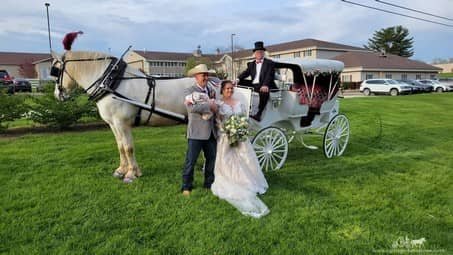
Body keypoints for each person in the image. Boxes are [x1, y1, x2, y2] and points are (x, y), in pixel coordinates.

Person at [211, 80, 269, 218]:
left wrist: (240, 128)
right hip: (225, 137)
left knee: (246, 157)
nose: (230, 91)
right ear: (222, 90)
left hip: (239, 136)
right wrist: (227, 129)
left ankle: (249, 181)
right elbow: (217, 121)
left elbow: (243, 118)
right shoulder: (218, 105)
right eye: (227, 89)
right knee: (227, 160)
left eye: (231, 88)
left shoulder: (238, 103)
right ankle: (232, 180)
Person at [181, 64, 218, 196]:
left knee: (211, 160)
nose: (206, 77)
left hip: (211, 132)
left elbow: (216, 105)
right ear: (196, 77)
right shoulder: (188, 91)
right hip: (196, 132)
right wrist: (210, 105)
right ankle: (186, 186)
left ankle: (209, 184)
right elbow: (191, 109)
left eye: (207, 75)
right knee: (191, 161)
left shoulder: (211, 90)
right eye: (203, 75)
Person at [237, 41, 277, 121]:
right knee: (238, 83)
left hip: (265, 85)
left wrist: (265, 85)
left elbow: (270, 75)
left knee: (264, 91)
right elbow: (246, 73)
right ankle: (240, 107)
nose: (259, 53)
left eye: (261, 52)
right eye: (257, 52)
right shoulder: (251, 64)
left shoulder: (269, 63)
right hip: (254, 85)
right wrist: (237, 79)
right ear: (254, 54)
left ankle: (259, 114)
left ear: (263, 53)